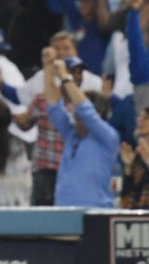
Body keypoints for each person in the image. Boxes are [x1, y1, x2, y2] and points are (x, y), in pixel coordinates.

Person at [44, 58, 120, 207]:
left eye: (78, 111)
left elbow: (86, 111)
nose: (75, 113)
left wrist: (65, 77)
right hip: (64, 211)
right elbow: (54, 107)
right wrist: (48, 68)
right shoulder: (72, 134)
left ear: (99, 113)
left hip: (96, 212)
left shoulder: (108, 137)